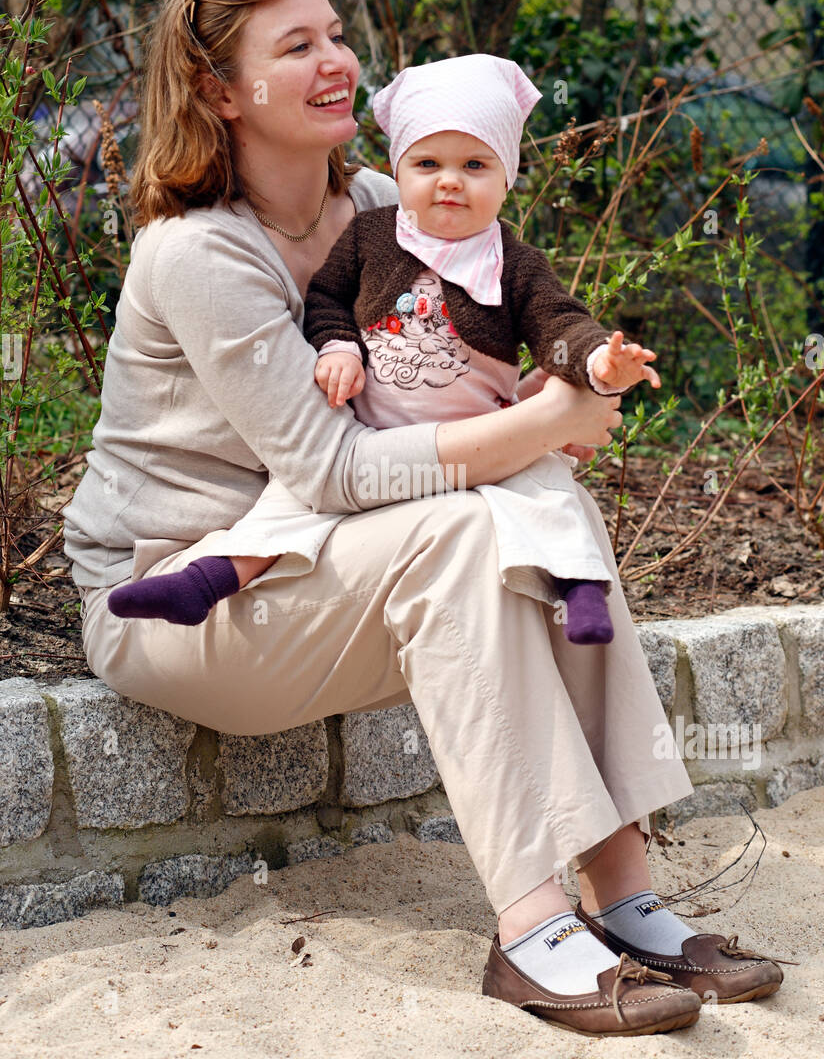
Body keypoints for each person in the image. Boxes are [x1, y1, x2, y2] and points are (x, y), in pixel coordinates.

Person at [62, 0, 785, 1036]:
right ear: (220, 92)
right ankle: (533, 930)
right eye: (294, 46)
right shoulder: (195, 253)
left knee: (544, 516)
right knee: (462, 526)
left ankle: (624, 896)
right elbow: (331, 468)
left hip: (331, 573)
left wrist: (559, 390)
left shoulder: (387, 205)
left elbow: (480, 361)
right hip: (189, 600)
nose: (334, 62)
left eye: (336, 35)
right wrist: (535, 424)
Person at [110, 53, 658, 646]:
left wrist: (599, 361)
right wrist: (339, 346)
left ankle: (579, 594)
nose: (449, 180)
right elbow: (327, 298)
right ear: (401, 171)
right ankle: (206, 582)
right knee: (286, 506)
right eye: (427, 164)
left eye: (475, 164)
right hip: (377, 437)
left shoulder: (516, 263)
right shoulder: (374, 234)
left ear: (508, 179)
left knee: (549, 497)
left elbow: (559, 325)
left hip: (480, 438)